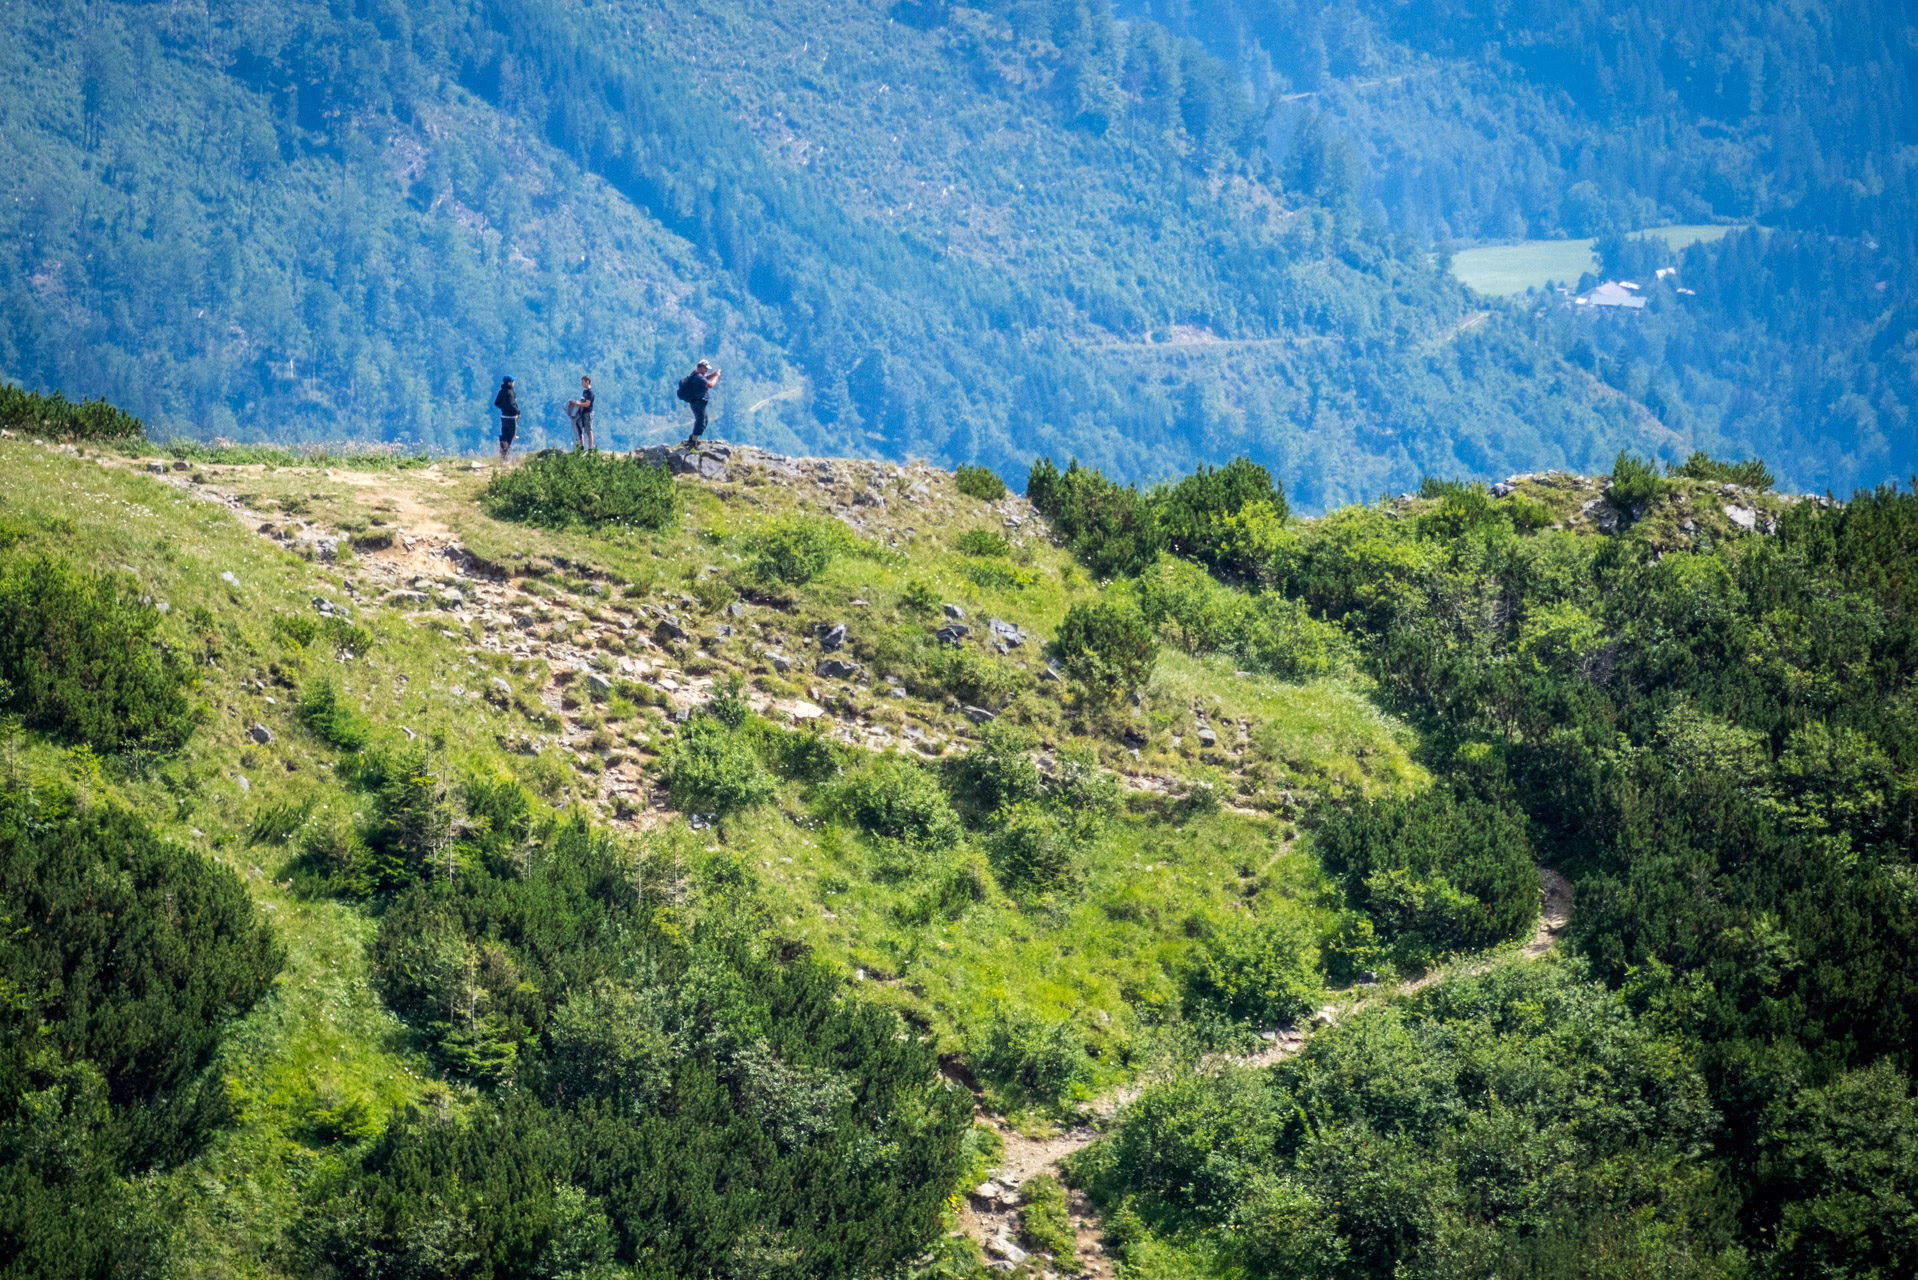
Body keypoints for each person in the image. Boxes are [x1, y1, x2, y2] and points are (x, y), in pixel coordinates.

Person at [676, 359, 720, 447]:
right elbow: (710, 385)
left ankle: (692, 438)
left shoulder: (695, 374)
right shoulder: (698, 377)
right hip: (698, 403)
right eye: (706, 368)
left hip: (697, 402)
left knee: (704, 420)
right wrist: (717, 376)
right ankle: (693, 442)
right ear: (702, 367)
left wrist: (714, 374)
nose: (707, 370)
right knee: (701, 422)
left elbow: (706, 377)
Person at [567, 375, 596, 451]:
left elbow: (587, 404)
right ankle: (581, 447)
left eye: (583, 382)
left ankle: (590, 449)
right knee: (580, 430)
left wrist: (576, 404)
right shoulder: (584, 392)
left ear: (588, 382)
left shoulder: (590, 393)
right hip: (582, 413)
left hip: (588, 413)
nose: (582, 384)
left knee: (589, 431)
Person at [494, 375, 519, 460]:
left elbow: (496, 403)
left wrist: (504, 408)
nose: (513, 383)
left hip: (503, 417)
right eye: (512, 381)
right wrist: (517, 412)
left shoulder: (501, 392)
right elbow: (512, 404)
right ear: (509, 382)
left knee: (504, 435)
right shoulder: (510, 392)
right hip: (511, 418)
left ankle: (502, 454)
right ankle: (504, 456)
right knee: (509, 437)